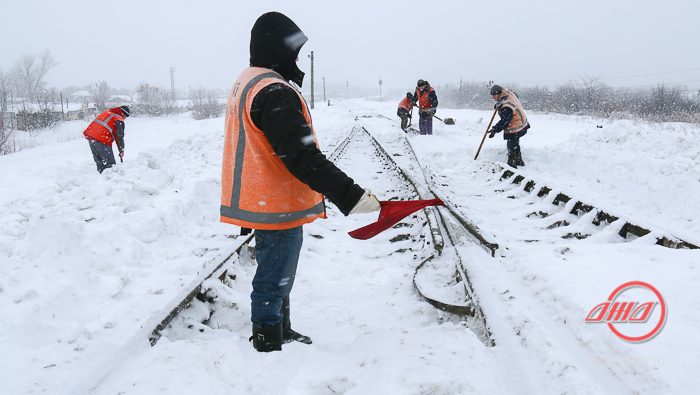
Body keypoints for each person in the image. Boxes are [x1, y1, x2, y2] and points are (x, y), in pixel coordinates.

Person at [220, 11, 381, 353]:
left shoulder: (249, 81)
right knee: (274, 277)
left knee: (277, 271)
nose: (296, 59)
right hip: (275, 201)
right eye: (292, 51)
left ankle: (280, 329)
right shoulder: (274, 92)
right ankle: (268, 342)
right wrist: (350, 195)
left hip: (263, 195)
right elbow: (301, 156)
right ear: (277, 49)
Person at [488, 84, 530, 168]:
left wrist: (494, 129)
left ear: (499, 93)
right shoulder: (507, 93)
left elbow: (505, 121)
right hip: (522, 122)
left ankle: (511, 164)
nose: (493, 97)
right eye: (492, 95)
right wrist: (499, 103)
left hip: (515, 126)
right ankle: (519, 161)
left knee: (511, 145)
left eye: (494, 95)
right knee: (515, 143)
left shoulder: (506, 106)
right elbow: (515, 95)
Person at [83, 105, 130, 173]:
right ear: (124, 114)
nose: (124, 119)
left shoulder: (107, 112)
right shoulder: (118, 118)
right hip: (102, 140)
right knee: (110, 165)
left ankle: (102, 181)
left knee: (100, 164)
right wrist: (121, 150)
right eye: (125, 117)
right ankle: (111, 181)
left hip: (91, 139)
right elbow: (119, 137)